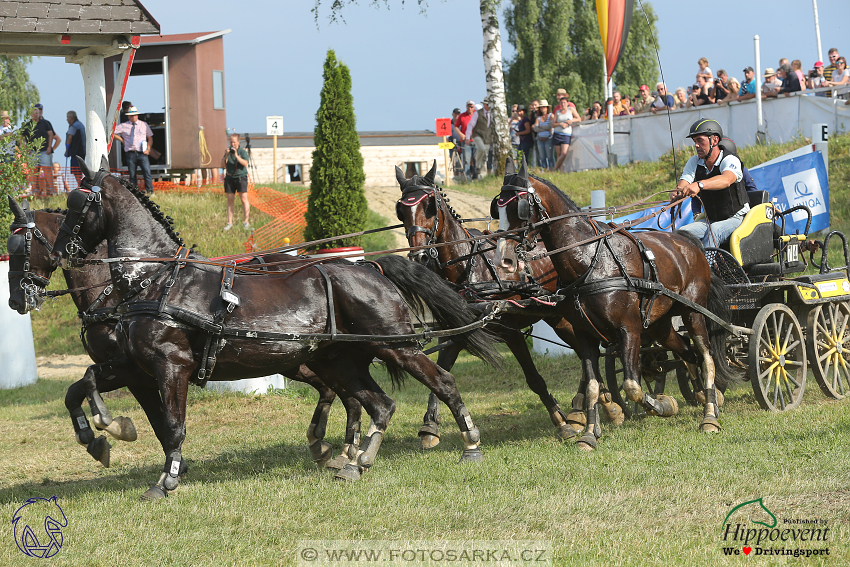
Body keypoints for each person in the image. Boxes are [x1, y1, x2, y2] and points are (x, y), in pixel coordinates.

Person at [674, 119, 748, 248]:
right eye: (694, 141)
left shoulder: (730, 159)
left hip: (737, 218)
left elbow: (727, 179)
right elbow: (683, 184)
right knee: (680, 234)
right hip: (710, 220)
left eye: (700, 140)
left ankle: (709, 267)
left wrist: (699, 184)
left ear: (714, 140)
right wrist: (677, 193)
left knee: (714, 231)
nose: (696, 145)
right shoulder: (694, 162)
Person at [113, 106, 154, 195]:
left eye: (134, 115)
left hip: (142, 153)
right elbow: (113, 132)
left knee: (147, 173)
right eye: (131, 116)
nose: (133, 117)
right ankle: (134, 193)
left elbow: (150, 137)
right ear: (128, 117)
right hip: (130, 153)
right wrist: (122, 140)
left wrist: (148, 149)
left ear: (137, 116)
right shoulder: (124, 126)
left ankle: (150, 192)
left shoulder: (143, 124)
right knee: (132, 175)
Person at [21, 104, 60, 195]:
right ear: (30, 114)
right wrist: (25, 147)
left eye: (36, 113)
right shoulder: (27, 125)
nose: (35, 114)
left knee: (47, 170)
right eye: (33, 113)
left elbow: (51, 134)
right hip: (33, 152)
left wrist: (50, 147)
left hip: (44, 151)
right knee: (33, 170)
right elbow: (20, 137)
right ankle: (35, 190)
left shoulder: (46, 123)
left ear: (39, 113)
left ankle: (51, 190)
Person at [221, 133, 251, 231]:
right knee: (230, 200)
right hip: (229, 178)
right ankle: (229, 223)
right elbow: (222, 165)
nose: (232, 144)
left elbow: (245, 163)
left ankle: (246, 222)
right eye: (231, 142)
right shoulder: (228, 152)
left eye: (234, 142)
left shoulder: (242, 152)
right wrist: (227, 155)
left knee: (243, 199)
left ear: (238, 142)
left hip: (240, 177)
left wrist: (236, 156)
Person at [552, 96, 580, 172]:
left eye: (564, 102)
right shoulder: (557, 112)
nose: (563, 104)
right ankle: (561, 171)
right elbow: (553, 124)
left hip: (566, 134)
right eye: (561, 102)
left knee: (564, 153)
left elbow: (578, 118)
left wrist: (571, 120)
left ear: (567, 103)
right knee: (559, 154)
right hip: (557, 133)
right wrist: (560, 124)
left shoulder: (571, 110)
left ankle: (554, 169)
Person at [468, 101, 492, 178]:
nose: (489, 106)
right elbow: (470, 125)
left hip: (487, 137)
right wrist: (468, 137)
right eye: (487, 104)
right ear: (484, 104)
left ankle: (482, 175)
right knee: (482, 149)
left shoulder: (493, 114)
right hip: (477, 135)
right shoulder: (477, 113)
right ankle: (478, 166)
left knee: (485, 155)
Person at [454, 101, 476, 177]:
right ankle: (467, 177)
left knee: (476, 159)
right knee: (466, 160)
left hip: (476, 140)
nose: (469, 108)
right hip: (466, 141)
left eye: (471, 107)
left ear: (474, 107)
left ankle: (476, 177)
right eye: (468, 107)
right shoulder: (462, 116)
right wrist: (461, 134)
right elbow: (456, 127)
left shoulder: (477, 114)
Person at [64, 110, 86, 183]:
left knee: (76, 171)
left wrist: (67, 150)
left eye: (67, 117)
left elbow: (69, 138)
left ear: (71, 117)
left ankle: (80, 184)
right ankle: (80, 184)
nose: (67, 119)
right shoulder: (80, 125)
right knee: (80, 170)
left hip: (76, 152)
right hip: (82, 151)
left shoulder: (74, 126)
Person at [533, 99, 554, 170]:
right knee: (542, 157)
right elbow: (535, 128)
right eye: (541, 107)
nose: (543, 109)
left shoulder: (551, 116)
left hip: (548, 138)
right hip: (540, 138)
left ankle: (551, 170)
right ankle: (545, 170)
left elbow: (550, 126)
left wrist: (540, 127)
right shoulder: (538, 118)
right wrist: (545, 128)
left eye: (544, 107)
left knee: (550, 156)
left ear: (547, 108)